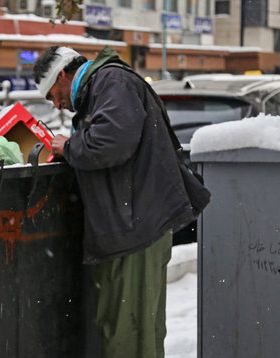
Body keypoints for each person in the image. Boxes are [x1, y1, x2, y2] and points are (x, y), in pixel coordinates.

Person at [33, 45, 202, 358]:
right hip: (134, 227)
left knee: (128, 332)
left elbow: (112, 142)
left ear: (62, 75)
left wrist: (69, 146)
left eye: (51, 94)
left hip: (135, 230)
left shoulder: (111, 82)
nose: (56, 104)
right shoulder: (103, 86)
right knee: (139, 331)